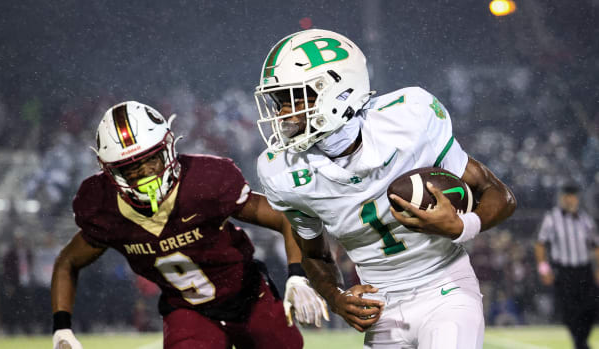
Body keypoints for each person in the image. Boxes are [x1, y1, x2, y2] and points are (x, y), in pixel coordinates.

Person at [254, 29, 516, 349]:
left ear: (337, 91)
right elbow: (315, 254)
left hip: (445, 289)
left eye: (292, 99)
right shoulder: (282, 171)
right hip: (381, 307)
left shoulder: (409, 117)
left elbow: (496, 193)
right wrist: (336, 298)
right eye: (279, 102)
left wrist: (464, 225)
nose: (283, 115)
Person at [51, 101, 328, 349]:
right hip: (188, 311)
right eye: (131, 169)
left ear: (169, 148)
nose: (146, 175)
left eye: (151, 161)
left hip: (249, 297)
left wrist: (297, 275)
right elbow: (67, 262)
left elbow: (286, 215)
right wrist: (61, 329)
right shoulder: (103, 207)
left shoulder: (205, 181)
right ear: (110, 171)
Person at [534, 183, 599, 349]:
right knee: (570, 311)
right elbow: (540, 244)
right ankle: (580, 343)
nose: (570, 200)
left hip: (584, 270)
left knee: (590, 308)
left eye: (572, 196)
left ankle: (580, 341)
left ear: (577, 198)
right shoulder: (552, 218)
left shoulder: (585, 219)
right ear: (562, 198)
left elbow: (595, 245)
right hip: (564, 271)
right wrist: (544, 269)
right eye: (567, 196)